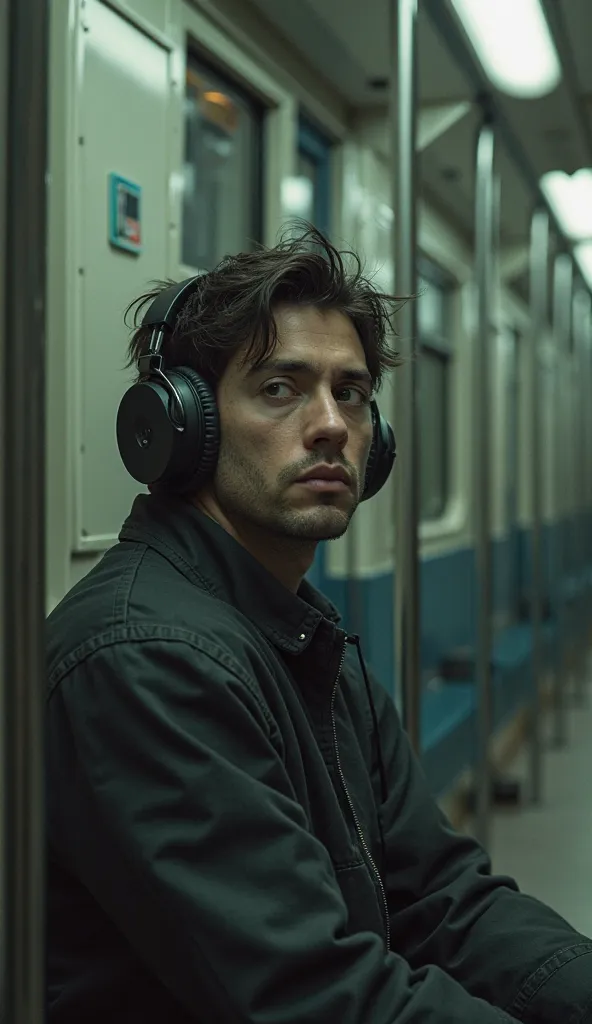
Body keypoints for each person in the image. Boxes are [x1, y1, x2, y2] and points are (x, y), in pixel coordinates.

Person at [46, 225, 592, 1024]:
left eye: (354, 392)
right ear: (184, 426)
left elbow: (442, 898)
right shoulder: (145, 659)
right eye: (280, 388)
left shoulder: (301, 635)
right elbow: (316, 997)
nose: (332, 423)